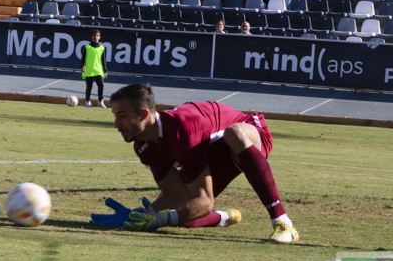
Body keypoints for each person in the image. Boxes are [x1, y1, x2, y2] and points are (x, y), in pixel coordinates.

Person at [89, 84, 298, 243]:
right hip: (211, 153)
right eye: (115, 116)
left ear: (144, 114)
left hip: (249, 132)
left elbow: (205, 200)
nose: (116, 124)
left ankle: (283, 222)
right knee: (185, 212)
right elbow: (176, 194)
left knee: (235, 133)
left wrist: (161, 220)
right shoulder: (143, 146)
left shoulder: (182, 130)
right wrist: (140, 216)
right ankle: (224, 217)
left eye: (122, 116)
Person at [81, 30, 106, 109]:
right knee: (89, 86)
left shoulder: (102, 48)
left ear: (99, 37)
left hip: (98, 69)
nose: (96, 37)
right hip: (89, 69)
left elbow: (103, 60)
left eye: (97, 35)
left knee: (101, 85)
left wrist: (105, 70)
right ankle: (87, 101)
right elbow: (83, 58)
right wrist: (83, 65)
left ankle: (100, 101)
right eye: (94, 35)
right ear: (92, 37)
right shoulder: (87, 47)